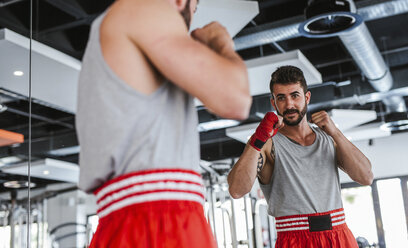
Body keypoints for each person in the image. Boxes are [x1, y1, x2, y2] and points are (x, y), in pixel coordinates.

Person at [75, 0, 252, 247]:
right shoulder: (144, 7)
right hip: (157, 221)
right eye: (195, 7)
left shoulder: (117, 24)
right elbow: (236, 99)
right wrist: (220, 40)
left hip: (136, 219)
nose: (193, 17)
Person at [228, 65, 373, 247]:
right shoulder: (267, 144)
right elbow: (236, 190)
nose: (289, 105)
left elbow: (366, 177)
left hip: (339, 236)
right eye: (281, 98)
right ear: (274, 103)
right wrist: (257, 139)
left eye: (295, 96)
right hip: (295, 239)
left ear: (306, 97)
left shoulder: (329, 138)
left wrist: (336, 133)